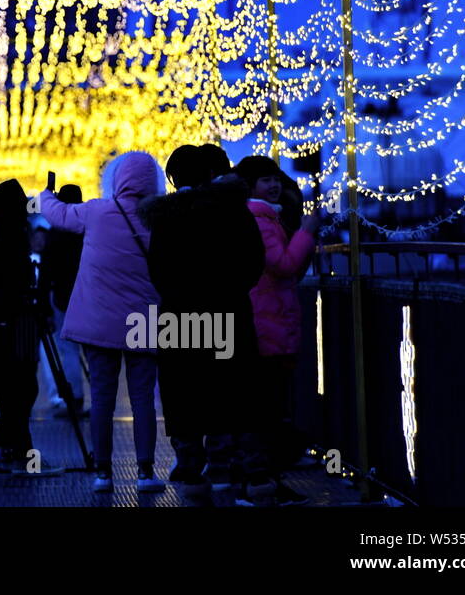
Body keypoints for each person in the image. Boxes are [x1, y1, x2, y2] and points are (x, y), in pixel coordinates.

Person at [141, 144, 269, 506]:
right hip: (229, 312)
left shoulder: (165, 218)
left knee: (185, 392)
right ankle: (243, 475)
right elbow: (252, 263)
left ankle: (191, 472)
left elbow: (158, 272)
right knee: (235, 391)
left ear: (173, 178)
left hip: (181, 317)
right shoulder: (233, 211)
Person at [39, 152, 166, 494]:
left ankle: (103, 473)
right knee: (142, 400)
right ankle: (144, 471)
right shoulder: (160, 220)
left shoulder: (96, 211)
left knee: (102, 398)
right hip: (145, 323)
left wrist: (45, 194)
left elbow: (57, 214)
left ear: (118, 179)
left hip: (99, 325)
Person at [234, 154, 320, 506]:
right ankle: (263, 484)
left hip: (265, 322)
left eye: (275, 179)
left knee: (263, 409)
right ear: (251, 186)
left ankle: (257, 481)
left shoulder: (261, 216)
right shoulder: (260, 219)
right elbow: (283, 265)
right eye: (265, 180)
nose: (273, 185)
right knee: (267, 410)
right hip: (266, 324)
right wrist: (306, 233)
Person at [0, 179, 64, 476]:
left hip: (1, 325)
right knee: (22, 390)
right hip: (18, 325)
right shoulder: (11, 237)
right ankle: (4, 451)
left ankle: (9, 451)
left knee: (15, 392)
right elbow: (17, 283)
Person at [41, 184, 86, 415]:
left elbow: (46, 271)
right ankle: (100, 401)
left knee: (67, 350)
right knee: (93, 352)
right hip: (89, 297)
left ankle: (74, 399)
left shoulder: (55, 233)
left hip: (62, 298)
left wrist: (43, 304)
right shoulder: (88, 229)